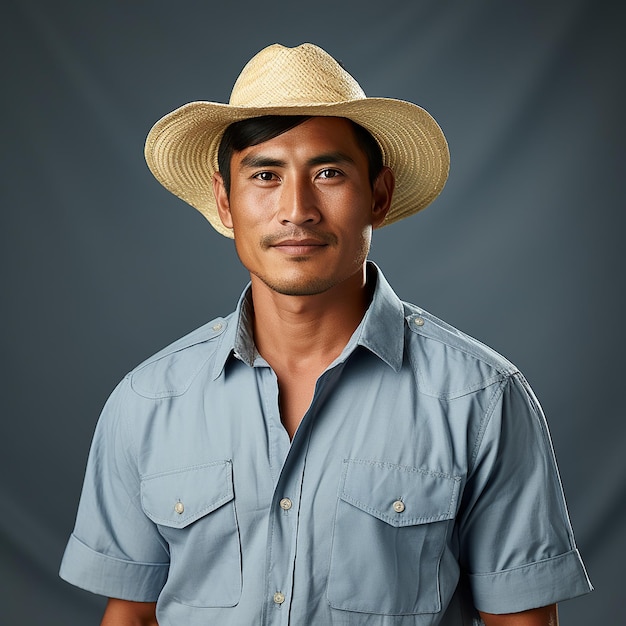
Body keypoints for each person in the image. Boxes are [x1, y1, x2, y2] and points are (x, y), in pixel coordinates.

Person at [59, 43, 592, 625]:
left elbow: (521, 621)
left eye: (329, 173)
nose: (298, 210)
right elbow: (131, 615)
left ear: (379, 196)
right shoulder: (146, 402)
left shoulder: (480, 399)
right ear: (224, 201)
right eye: (265, 175)